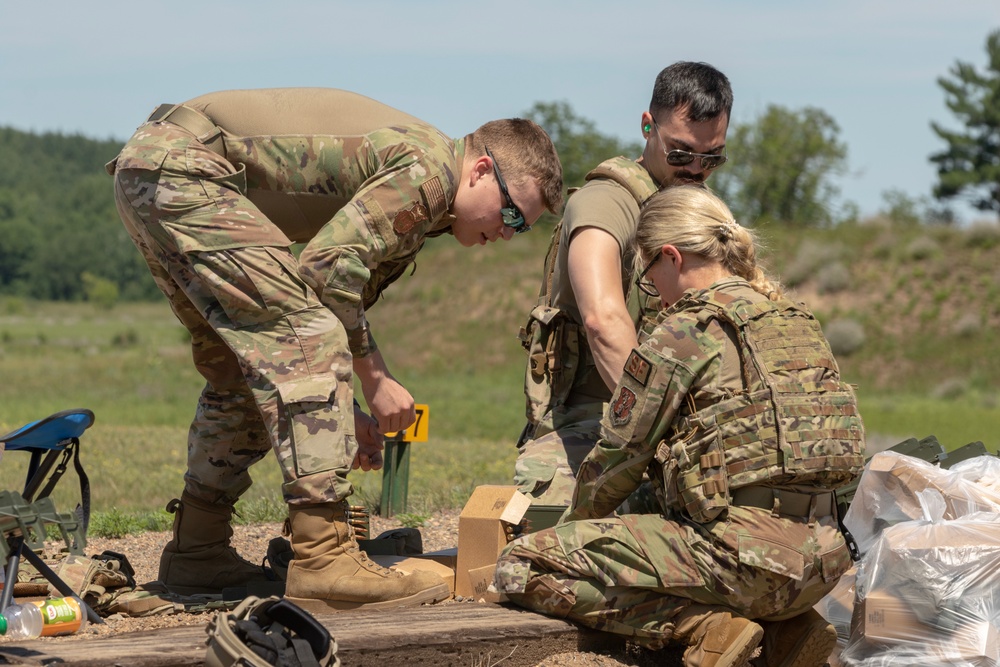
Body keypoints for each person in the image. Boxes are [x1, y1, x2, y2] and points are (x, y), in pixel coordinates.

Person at [106, 87, 563, 612]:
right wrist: (376, 380)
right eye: (510, 216)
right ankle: (324, 560)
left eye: (522, 229)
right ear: (481, 169)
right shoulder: (429, 170)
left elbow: (333, 310)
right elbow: (325, 272)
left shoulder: (429, 207)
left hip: (156, 170)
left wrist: (347, 414)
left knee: (245, 365)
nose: (508, 234)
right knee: (307, 335)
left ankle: (198, 550)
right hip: (183, 170)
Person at [496, 186, 865, 667]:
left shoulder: (684, 330)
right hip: (824, 563)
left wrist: (575, 532)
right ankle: (791, 631)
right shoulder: (798, 321)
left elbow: (617, 460)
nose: (651, 292)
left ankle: (706, 627)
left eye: (648, 276)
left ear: (671, 257)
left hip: (748, 563)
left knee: (523, 566)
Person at [516, 62, 732, 506]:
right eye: (680, 153)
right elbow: (603, 320)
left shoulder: (704, 212)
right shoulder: (605, 203)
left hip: (693, 418)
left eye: (711, 159)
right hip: (600, 416)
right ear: (647, 126)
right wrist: (663, 432)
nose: (694, 169)